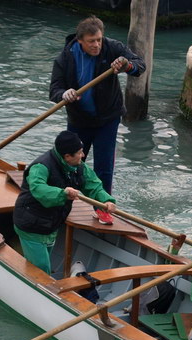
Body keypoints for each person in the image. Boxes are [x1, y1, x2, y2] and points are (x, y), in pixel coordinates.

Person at [49, 16, 146, 202]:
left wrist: (126, 65)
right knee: (72, 164)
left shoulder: (111, 47)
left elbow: (140, 66)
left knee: (104, 166)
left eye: (99, 40)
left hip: (107, 119)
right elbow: (54, 90)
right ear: (79, 41)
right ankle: (66, 202)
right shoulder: (64, 58)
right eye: (91, 41)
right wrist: (64, 94)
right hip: (79, 121)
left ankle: (103, 207)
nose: (97, 45)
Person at [13, 131, 116, 275]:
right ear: (67, 156)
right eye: (80, 153)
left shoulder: (78, 167)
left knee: (45, 261)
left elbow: (93, 185)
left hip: (52, 224)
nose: (83, 155)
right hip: (31, 224)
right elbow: (39, 189)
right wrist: (63, 193)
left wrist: (106, 200)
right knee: (40, 269)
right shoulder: (41, 166)